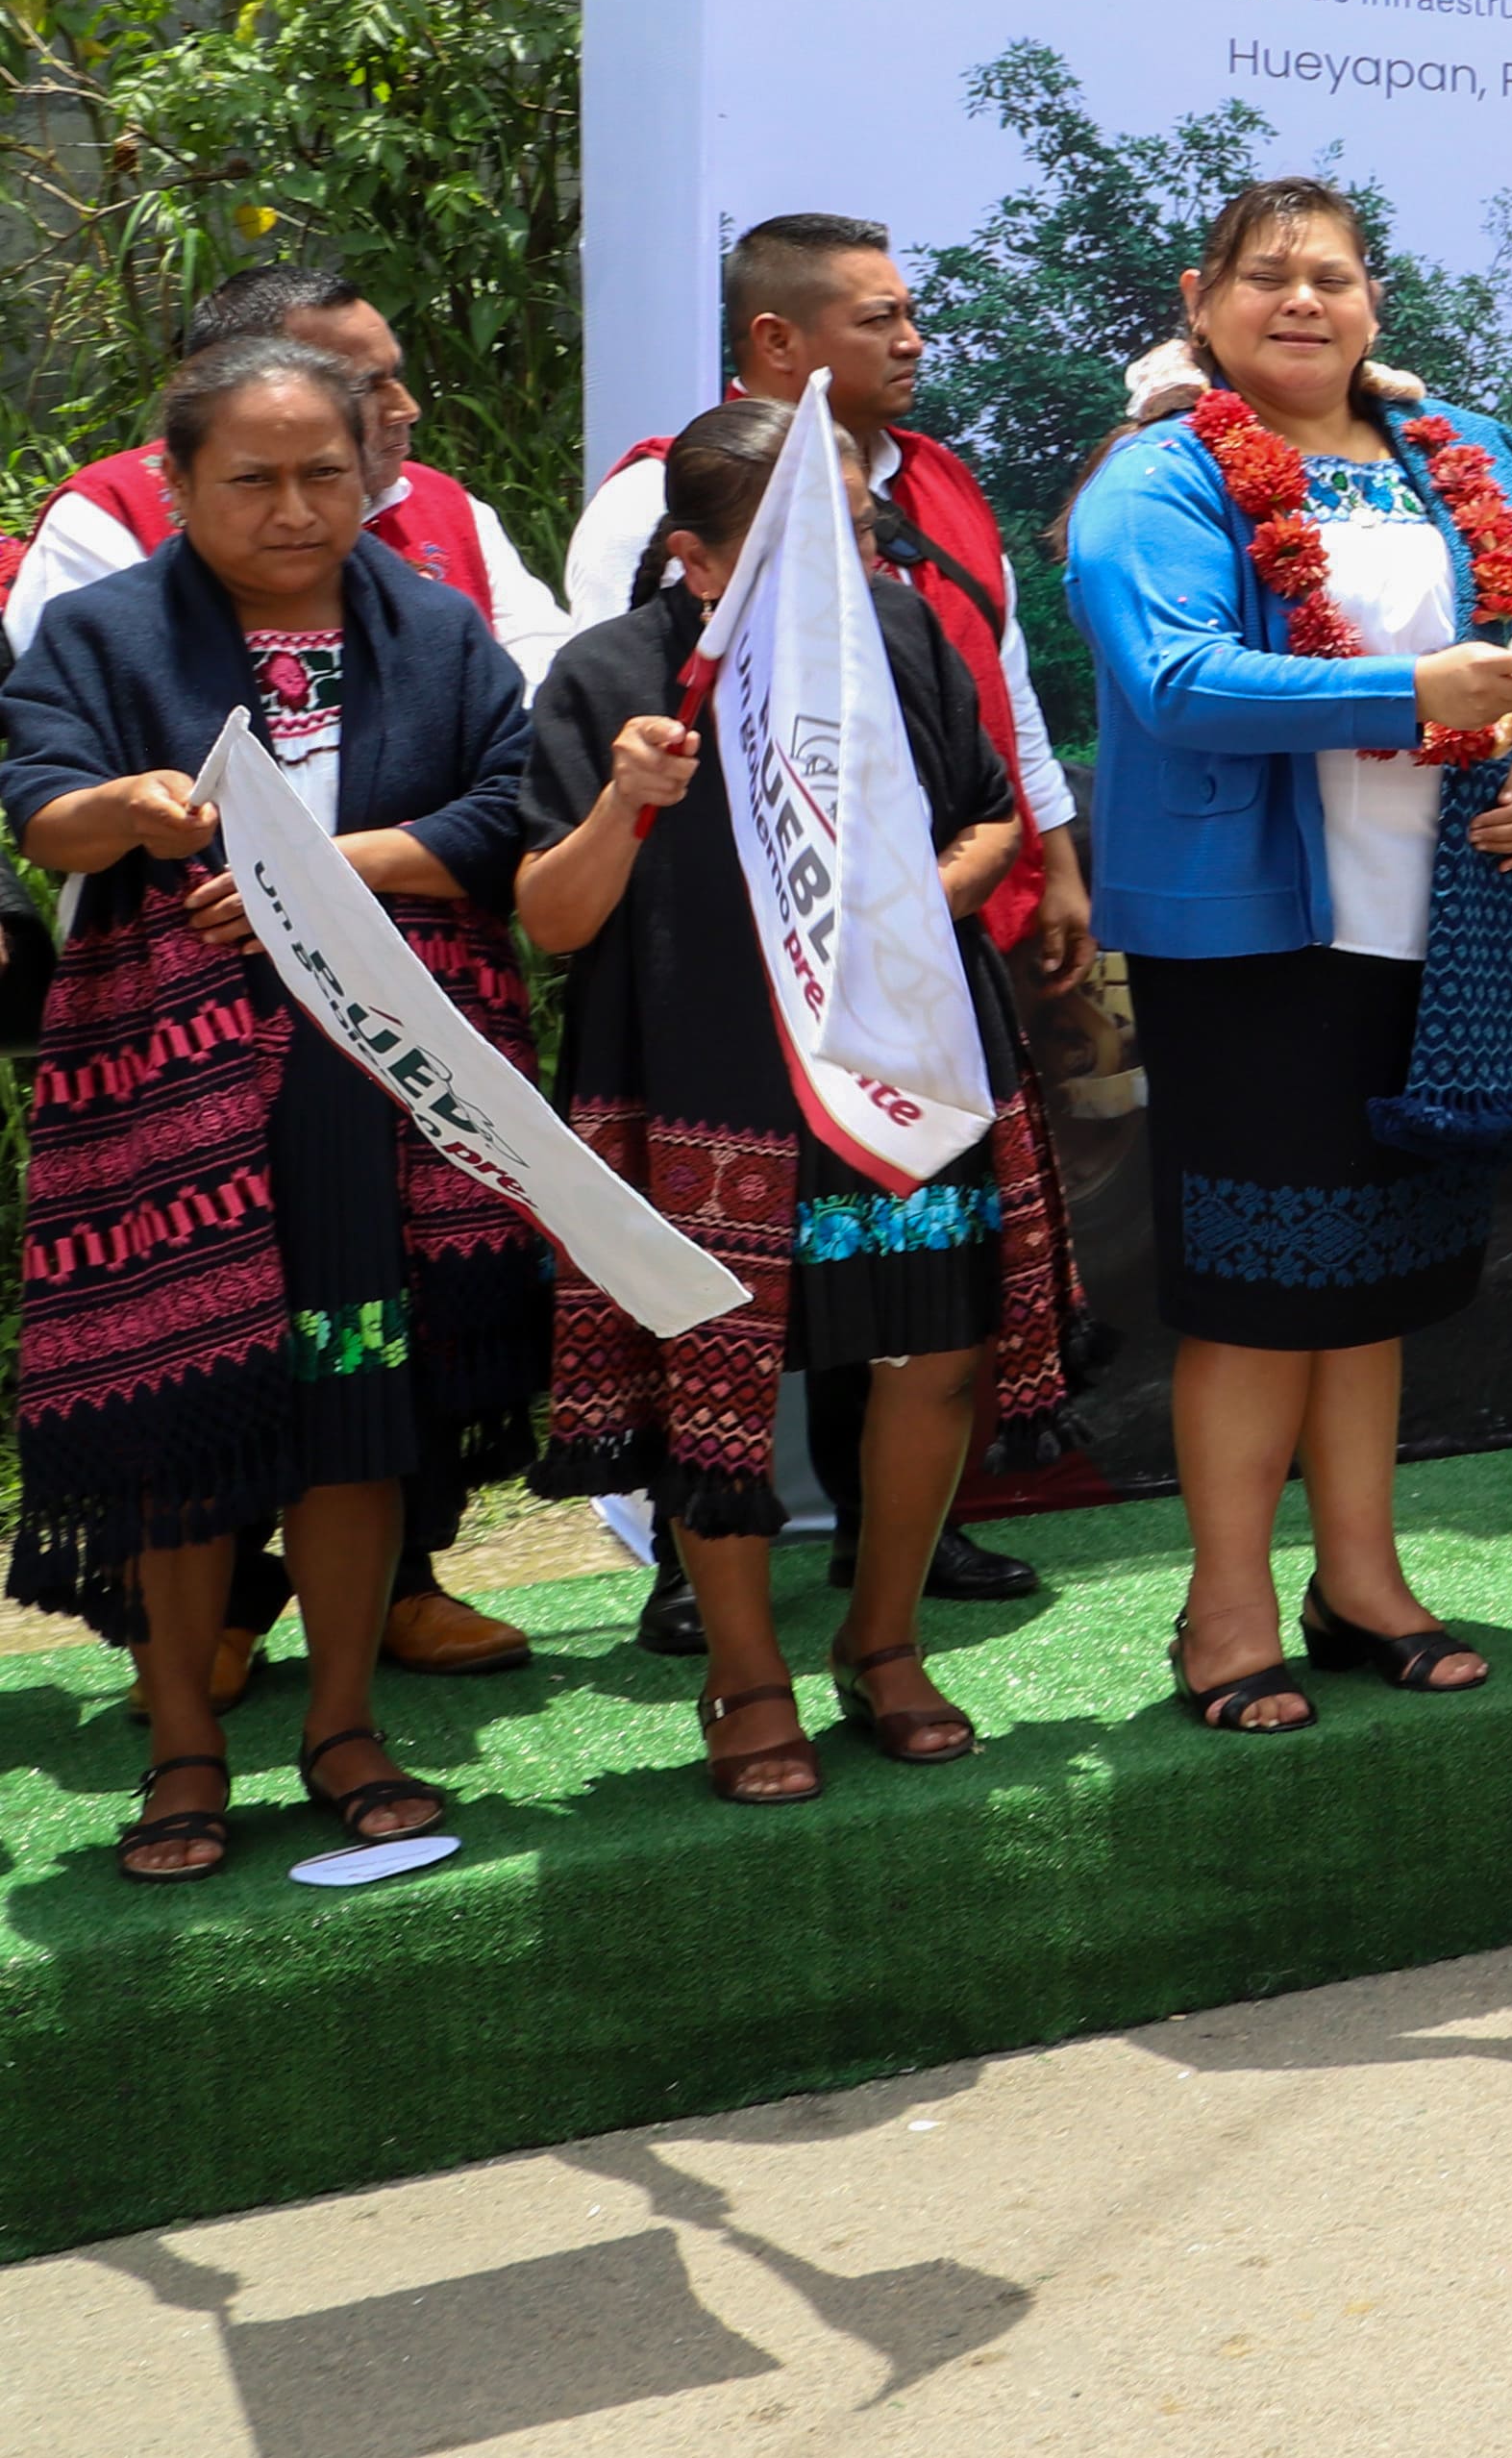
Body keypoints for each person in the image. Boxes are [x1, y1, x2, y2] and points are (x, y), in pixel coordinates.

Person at [5, 336, 544, 1875]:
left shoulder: (435, 628)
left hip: (374, 1082)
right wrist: (126, 809)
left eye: (327, 474)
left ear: (372, 474)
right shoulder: (105, 632)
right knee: (188, 1412)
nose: (298, 509)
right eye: (254, 480)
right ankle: (184, 1750)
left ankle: (343, 1727)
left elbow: (509, 807)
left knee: (354, 1399)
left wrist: (321, 871)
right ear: (177, 486)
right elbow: (40, 803)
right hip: (168, 1093)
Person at [1065, 181, 1512, 1729]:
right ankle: (1223, 1609)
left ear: (1373, 303)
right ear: (1203, 299)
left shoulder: (1458, 450)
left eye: (1335, 277)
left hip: (1441, 924)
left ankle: (1360, 1580)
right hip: (1254, 936)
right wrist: (1414, 691)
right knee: (1257, 1290)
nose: (1304, 301)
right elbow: (1175, 679)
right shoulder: (1159, 476)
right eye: (1269, 275)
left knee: (1376, 1278)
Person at [519, 403, 1079, 1798]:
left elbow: (990, 816)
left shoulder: (900, 635)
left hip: (901, 1060)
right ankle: (745, 1672)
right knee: (714, 1383)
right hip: (704, 1086)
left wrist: (893, 916)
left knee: (933, 1349)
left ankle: (882, 1643)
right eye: (802, 540)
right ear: (697, 560)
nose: (849, 562)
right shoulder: (611, 676)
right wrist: (624, 803)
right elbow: (552, 919)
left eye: (857, 532)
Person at [7, 261, 575, 683]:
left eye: (396, 377)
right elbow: (90, 712)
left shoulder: (445, 503)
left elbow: (542, 671)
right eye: (364, 386)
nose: (406, 408)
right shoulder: (107, 515)